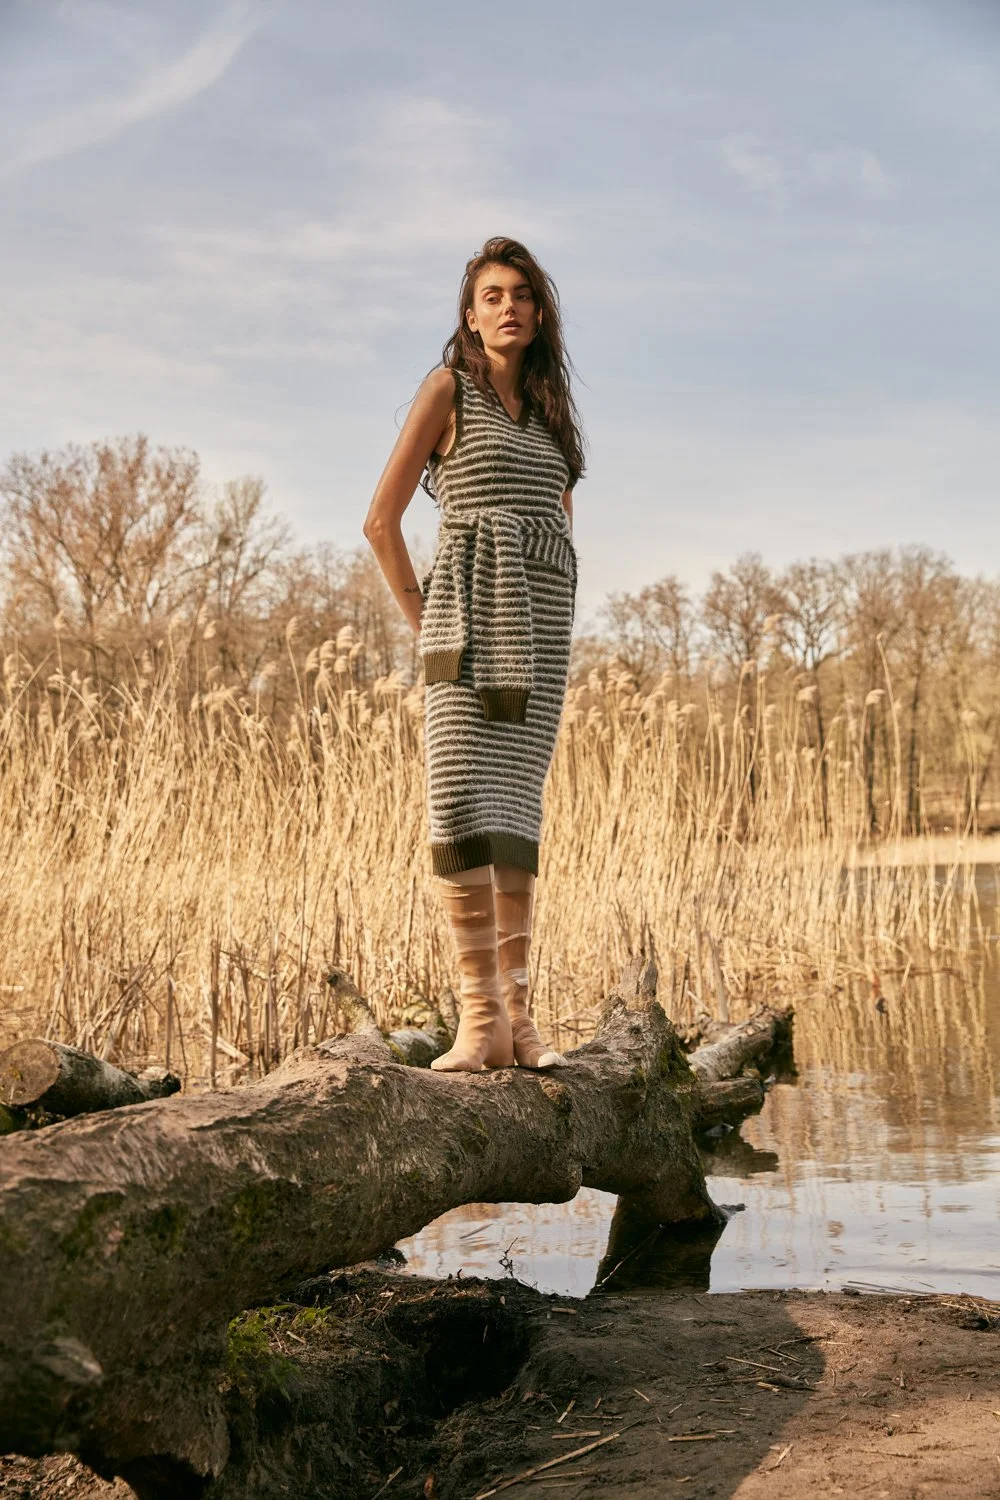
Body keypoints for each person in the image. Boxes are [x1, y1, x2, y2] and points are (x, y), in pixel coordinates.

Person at [363, 236, 585, 1073]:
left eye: (522, 294)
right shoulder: (446, 389)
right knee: (457, 810)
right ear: (470, 315)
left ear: (538, 313)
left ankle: (520, 1023)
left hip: (539, 637)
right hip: (462, 628)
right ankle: (479, 1020)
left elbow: (561, 524)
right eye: (492, 295)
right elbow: (380, 522)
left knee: (517, 819)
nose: (508, 307)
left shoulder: (553, 414)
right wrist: (424, 619)